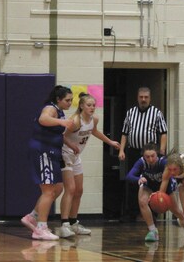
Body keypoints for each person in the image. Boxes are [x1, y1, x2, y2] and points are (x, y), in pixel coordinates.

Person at [58, 92, 120, 239]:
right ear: (81, 106)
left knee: (79, 190)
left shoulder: (94, 119)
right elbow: (61, 136)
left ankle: (74, 222)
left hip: (76, 156)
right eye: (89, 105)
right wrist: (71, 145)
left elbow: (94, 131)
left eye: (94, 105)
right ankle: (64, 225)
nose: (92, 107)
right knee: (70, 189)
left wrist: (110, 142)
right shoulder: (75, 121)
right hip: (65, 154)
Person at [21, 85, 76, 240]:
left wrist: (71, 144)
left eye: (71, 100)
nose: (69, 103)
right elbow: (43, 119)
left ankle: (32, 216)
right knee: (48, 191)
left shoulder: (59, 112)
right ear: (58, 99)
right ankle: (40, 228)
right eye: (67, 100)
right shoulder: (50, 108)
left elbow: (56, 132)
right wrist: (62, 122)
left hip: (52, 152)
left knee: (57, 188)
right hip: (43, 151)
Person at [118, 87, 168, 221]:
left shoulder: (156, 113)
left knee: (152, 182)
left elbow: (163, 132)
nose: (143, 99)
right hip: (134, 151)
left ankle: (153, 212)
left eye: (146, 97)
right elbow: (125, 133)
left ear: (150, 98)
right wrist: (121, 150)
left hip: (151, 154)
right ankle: (132, 213)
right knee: (133, 181)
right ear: (137, 97)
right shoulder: (130, 112)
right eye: (141, 97)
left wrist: (162, 149)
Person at [125, 143, 184, 242]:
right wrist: (138, 179)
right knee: (142, 201)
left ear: (157, 154)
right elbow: (129, 175)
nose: (150, 159)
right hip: (149, 185)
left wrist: (160, 195)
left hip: (165, 185)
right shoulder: (141, 162)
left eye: (153, 156)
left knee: (175, 210)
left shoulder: (163, 162)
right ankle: (153, 231)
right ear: (143, 156)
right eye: (147, 156)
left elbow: (168, 178)